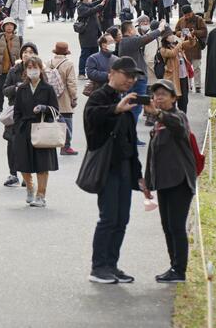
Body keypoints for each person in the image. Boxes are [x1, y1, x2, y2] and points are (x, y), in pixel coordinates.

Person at [84, 57, 146, 284]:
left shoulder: (126, 100)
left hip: (125, 167)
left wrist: (139, 176)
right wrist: (115, 109)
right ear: (112, 72)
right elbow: (91, 121)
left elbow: (130, 142)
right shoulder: (100, 96)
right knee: (108, 218)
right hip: (107, 167)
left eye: (133, 77)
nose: (130, 80)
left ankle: (112, 264)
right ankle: (98, 267)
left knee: (122, 219)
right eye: (127, 75)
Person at [143, 79, 196, 283]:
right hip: (164, 182)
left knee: (176, 225)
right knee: (167, 226)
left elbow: (178, 128)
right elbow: (152, 155)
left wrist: (157, 113)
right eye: (156, 95)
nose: (158, 97)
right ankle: (174, 266)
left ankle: (179, 270)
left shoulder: (177, 117)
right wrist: (148, 182)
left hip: (180, 181)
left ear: (174, 98)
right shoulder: (158, 123)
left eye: (164, 94)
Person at [13, 56, 59, 207]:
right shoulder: (22, 89)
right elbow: (17, 111)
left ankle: (41, 195)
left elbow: (56, 110)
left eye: (35, 67)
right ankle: (30, 187)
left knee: (42, 165)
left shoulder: (48, 88)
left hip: (42, 128)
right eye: (29, 68)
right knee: (23, 163)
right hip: (25, 129)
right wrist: (19, 126)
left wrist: (44, 108)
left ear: (41, 69)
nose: (32, 71)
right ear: (25, 70)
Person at [119, 17, 166, 142]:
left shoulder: (126, 41)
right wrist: (160, 29)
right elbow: (147, 38)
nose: (136, 30)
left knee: (133, 106)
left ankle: (129, 135)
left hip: (134, 77)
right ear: (129, 31)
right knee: (135, 107)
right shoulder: (130, 41)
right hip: (137, 78)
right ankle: (131, 135)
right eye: (134, 28)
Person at [1, 42, 38, 187]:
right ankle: (13, 173)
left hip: (31, 114)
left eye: (30, 52)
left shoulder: (38, 71)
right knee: (12, 143)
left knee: (28, 144)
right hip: (15, 112)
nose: (27, 54)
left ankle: (26, 174)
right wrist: (16, 88)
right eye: (24, 52)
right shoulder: (14, 70)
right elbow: (5, 90)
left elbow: (45, 88)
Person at [46, 42, 78, 155]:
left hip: (51, 97)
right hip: (64, 97)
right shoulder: (68, 64)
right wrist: (74, 97)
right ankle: (66, 146)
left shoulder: (48, 63)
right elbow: (71, 83)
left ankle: (52, 143)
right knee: (67, 122)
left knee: (55, 120)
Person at [158, 28, 196, 113]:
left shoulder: (177, 44)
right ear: (165, 38)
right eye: (170, 35)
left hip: (183, 77)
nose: (172, 36)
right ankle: (171, 120)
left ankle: (182, 119)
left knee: (184, 101)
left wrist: (190, 36)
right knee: (172, 101)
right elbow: (172, 53)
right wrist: (181, 41)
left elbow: (191, 44)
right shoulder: (163, 49)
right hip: (172, 79)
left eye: (172, 34)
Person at [175, 5, 207, 93]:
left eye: (188, 15)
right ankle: (188, 85)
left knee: (196, 67)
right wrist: (181, 33)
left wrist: (194, 32)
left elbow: (204, 32)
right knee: (185, 69)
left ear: (191, 12)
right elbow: (176, 30)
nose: (187, 17)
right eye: (185, 15)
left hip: (196, 48)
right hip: (185, 48)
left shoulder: (198, 19)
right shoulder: (181, 20)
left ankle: (197, 86)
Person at [76, 0, 107, 78]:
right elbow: (91, 10)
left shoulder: (87, 4)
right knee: (85, 54)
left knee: (94, 53)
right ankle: (81, 73)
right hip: (86, 34)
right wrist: (100, 5)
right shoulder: (80, 7)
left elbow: (95, 4)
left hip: (94, 33)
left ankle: (93, 72)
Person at [0, 17, 21, 112]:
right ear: (3, 27)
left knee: (13, 88)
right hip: (1, 68)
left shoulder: (19, 39)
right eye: (7, 25)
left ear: (14, 27)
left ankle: (12, 104)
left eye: (11, 25)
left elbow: (21, 53)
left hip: (13, 68)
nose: (9, 27)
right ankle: (0, 104)